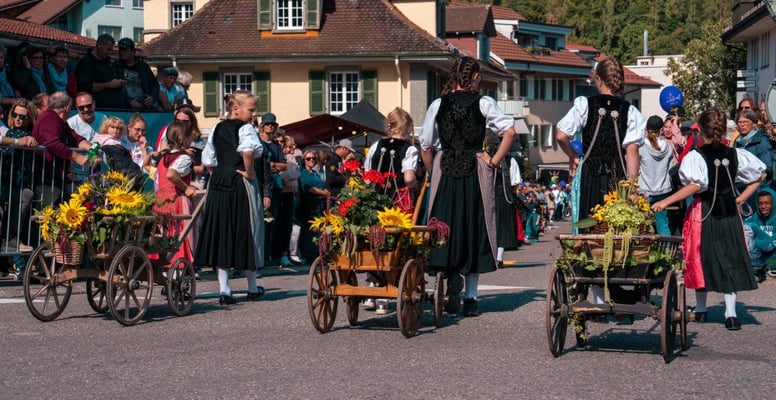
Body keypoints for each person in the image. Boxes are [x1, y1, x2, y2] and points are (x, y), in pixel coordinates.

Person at [419, 56, 516, 317]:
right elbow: (510, 131)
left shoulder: (438, 104)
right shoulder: (484, 103)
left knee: (444, 226)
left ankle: (448, 279)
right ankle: (471, 297)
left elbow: (425, 144)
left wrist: (432, 171)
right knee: (474, 227)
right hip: (474, 168)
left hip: (445, 169)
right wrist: (493, 161)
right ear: (475, 77)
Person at [653, 108, 765, 331]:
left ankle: (702, 309)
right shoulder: (735, 154)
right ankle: (731, 314)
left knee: (700, 256)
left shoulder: (696, 156)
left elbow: (696, 185)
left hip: (703, 211)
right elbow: (760, 174)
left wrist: (665, 202)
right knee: (729, 256)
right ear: (722, 130)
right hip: (729, 212)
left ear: (701, 130)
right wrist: (741, 198)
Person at [195, 91, 265, 305]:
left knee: (221, 231)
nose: (253, 114)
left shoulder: (216, 128)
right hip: (239, 181)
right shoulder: (245, 128)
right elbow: (248, 152)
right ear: (236, 109)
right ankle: (252, 287)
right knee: (247, 229)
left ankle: (224, 290)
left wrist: (218, 173)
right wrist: (250, 173)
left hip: (218, 181)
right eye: (251, 110)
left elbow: (208, 159)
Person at [556, 57, 645, 226]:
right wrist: (632, 189)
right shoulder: (630, 111)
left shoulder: (585, 105)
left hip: (590, 174)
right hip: (617, 177)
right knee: (616, 225)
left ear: (599, 79)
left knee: (589, 225)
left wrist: (573, 155)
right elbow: (632, 152)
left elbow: (561, 136)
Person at [363, 107, 419, 314]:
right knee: (394, 246)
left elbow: (367, 176)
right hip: (396, 203)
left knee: (373, 241)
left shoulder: (376, 145)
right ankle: (384, 297)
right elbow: (409, 178)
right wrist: (414, 184)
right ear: (409, 128)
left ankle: (371, 290)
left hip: (373, 201)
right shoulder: (409, 149)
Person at [31, 91, 93, 200]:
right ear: (68, 108)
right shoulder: (49, 119)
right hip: (46, 178)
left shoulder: (60, 121)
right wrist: (77, 157)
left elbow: (75, 137)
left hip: (58, 177)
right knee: (45, 209)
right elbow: (52, 143)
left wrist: (92, 148)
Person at [153, 121, 198, 266]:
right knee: (179, 232)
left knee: (164, 232)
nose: (191, 140)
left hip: (161, 201)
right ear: (183, 139)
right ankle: (177, 264)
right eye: (189, 137)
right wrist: (186, 188)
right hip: (176, 200)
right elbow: (171, 175)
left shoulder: (163, 158)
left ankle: (162, 265)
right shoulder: (183, 158)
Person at [1, 98, 39, 253]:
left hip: (16, 183)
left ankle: (11, 239)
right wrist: (20, 141)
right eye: (15, 115)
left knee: (26, 195)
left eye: (22, 117)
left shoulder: (29, 135)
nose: (17, 119)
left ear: (29, 118)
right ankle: (10, 238)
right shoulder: (13, 133)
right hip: (6, 181)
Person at [729, 108, 771, 213]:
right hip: (739, 188)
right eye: (740, 122)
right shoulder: (737, 142)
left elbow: (767, 167)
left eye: (746, 122)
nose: (742, 125)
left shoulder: (761, 140)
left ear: (753, 124)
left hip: (758, 189)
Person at [638, 115, 674, 236]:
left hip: (644, 190)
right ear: (661, 129)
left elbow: (636, 169)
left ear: (647, 129)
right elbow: (670, 168)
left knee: (642, 224)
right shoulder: (667, 147)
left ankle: (645, 246)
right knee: (663, 223)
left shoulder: (641, 147)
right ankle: (667, 246)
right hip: (663, 189)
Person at [75, 34, 126, 109]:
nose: (109, 53)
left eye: (111, 50)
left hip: (114, 108)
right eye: (108, 49)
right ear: (99, 45)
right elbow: (86, 87)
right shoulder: (86, 62)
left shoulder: (108, 62)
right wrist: (110, 85)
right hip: (99, 108)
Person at [298, 150, 330, 261]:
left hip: (318, 204)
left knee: (317, 230)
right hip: (308, 204)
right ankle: (307, 254)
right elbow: (308, 188)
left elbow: (321, 184)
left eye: (313, 158)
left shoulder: (315, 173)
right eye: (308, 159)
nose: (311, 160)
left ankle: (316, 252)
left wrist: (325, 191)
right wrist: (323, 193)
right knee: (309, 230)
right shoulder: (303, 173)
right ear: (304, 160)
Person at [113, 38, 158, 110]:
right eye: (120, 50)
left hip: (144, 107)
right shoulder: (115, 66)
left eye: (124, 50)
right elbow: (113, 90)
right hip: (124, 108)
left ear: (133, 51)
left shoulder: (143, 66)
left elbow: (155, 85)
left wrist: (152, 98)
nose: (121, 52)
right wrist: (129, 101)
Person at [744, 188, 776, 283]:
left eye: (767, 203)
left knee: (751, 228)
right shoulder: (754, 217)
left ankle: (762, 272)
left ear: (773, 204)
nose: (763, 206)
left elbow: (768, 246)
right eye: (760, 203)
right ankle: (756, 271)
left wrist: (753, 241)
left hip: (772, 261)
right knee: (744, 229)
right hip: (758, 259)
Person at [0, 44, 18, 109]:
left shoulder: (8, 73)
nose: (0, 60)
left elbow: (16, 89)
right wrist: (16, 101)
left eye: (1, 57)